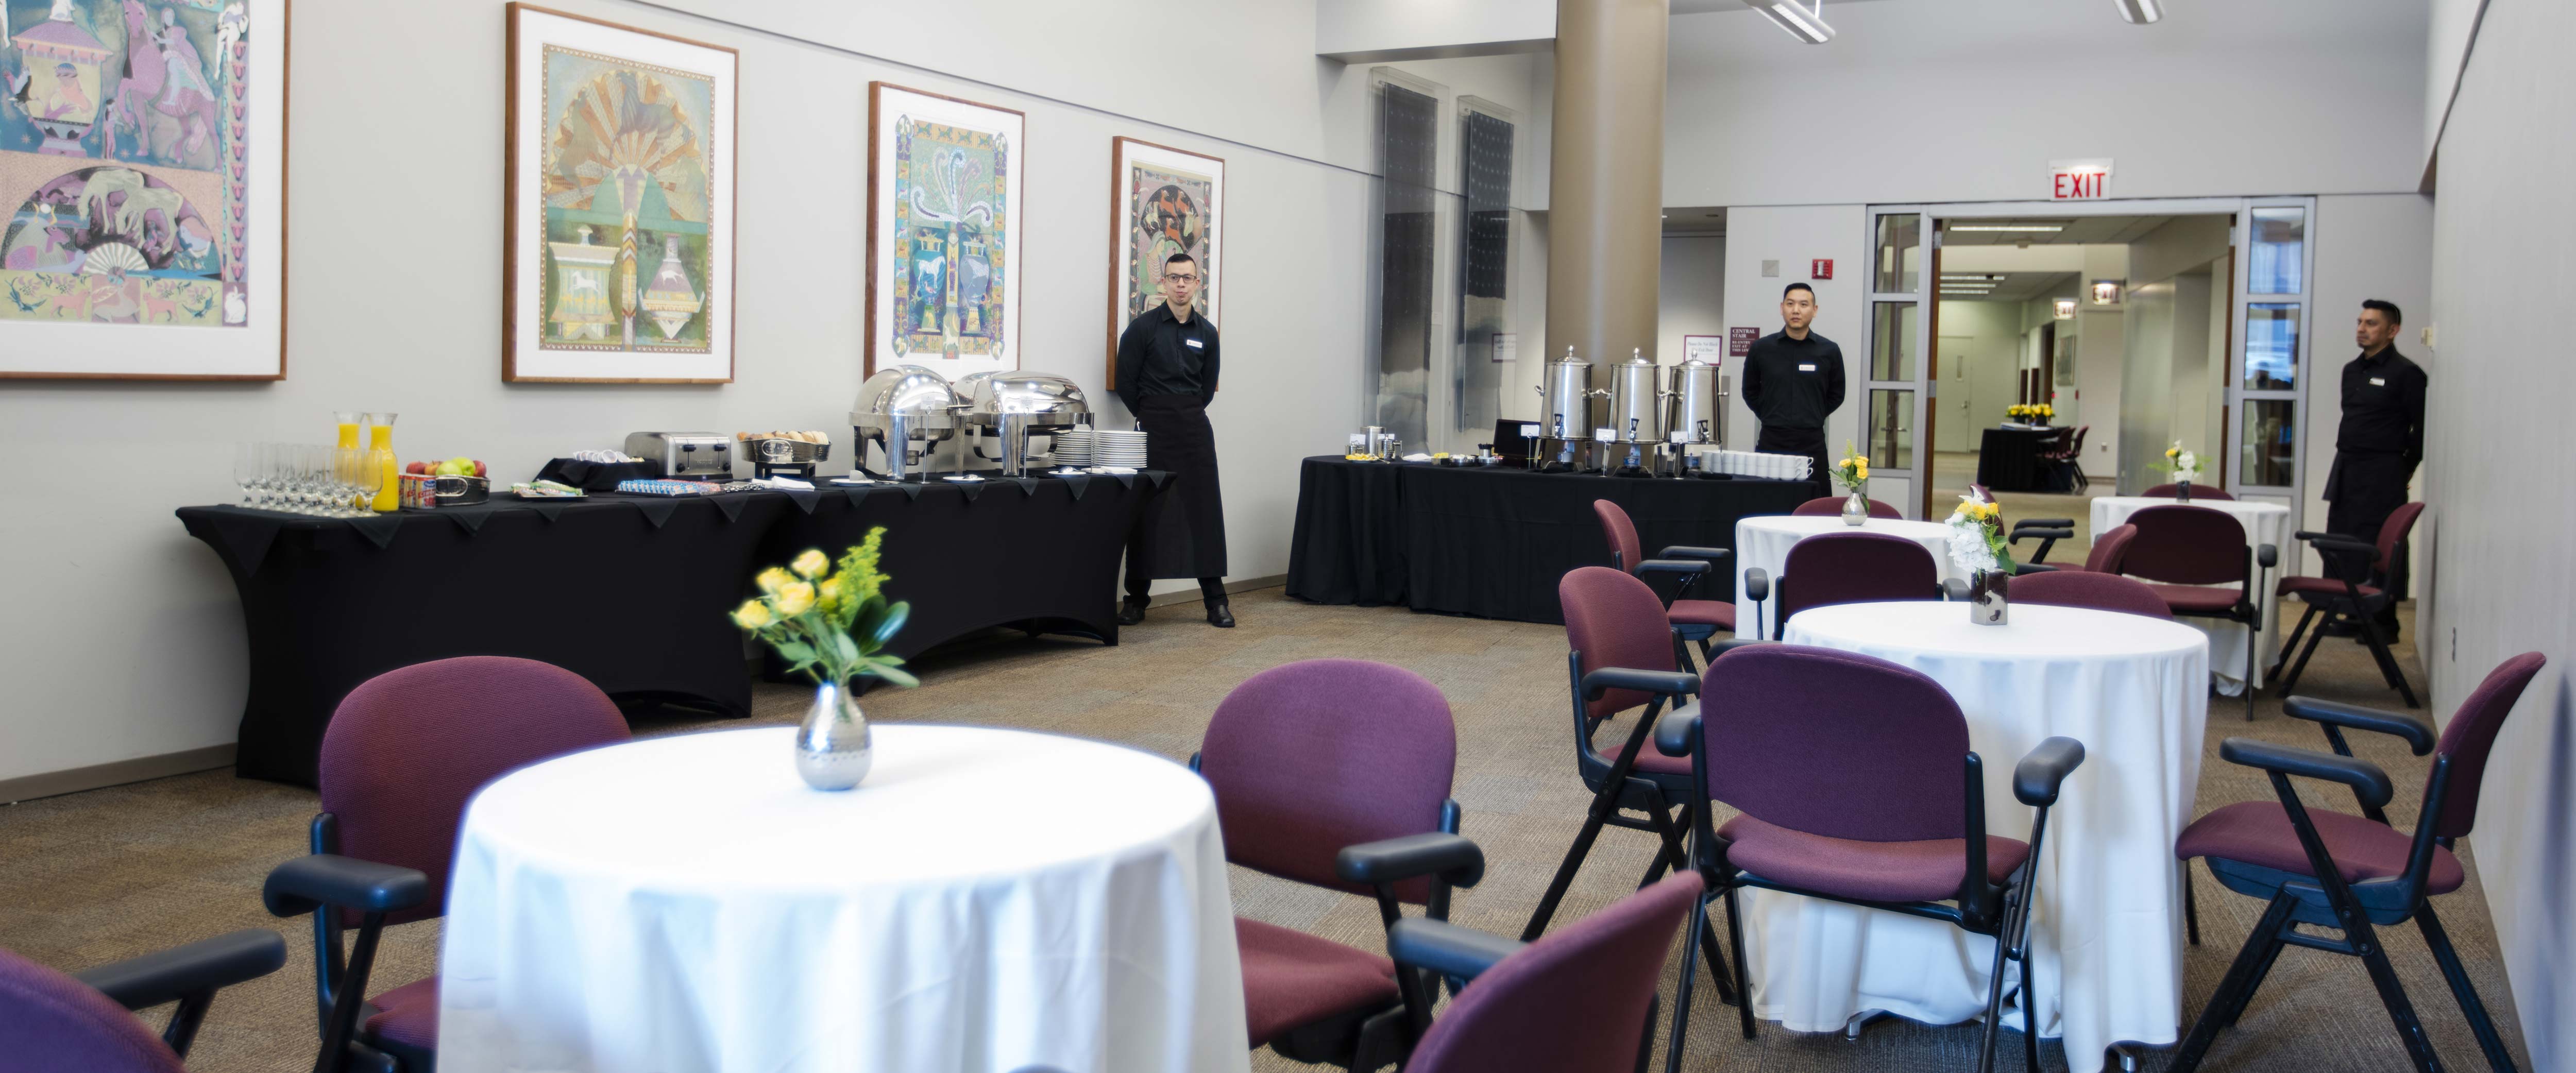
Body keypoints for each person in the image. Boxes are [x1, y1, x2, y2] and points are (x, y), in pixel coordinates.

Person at [1114, 252, 1232, 627]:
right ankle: (1136, 600)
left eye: (1188, 278)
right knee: (1146, 512)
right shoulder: (1142, 330)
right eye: (1174, 277)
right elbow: (1127, 384)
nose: (1181, 284)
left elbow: (1206, 388)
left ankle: (1216, 602)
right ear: (1163, 283)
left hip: (1194, 430)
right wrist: (1153, 414)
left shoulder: (1208, 333)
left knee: (1204, 512)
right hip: (1154, 431)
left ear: (1198, 284)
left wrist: (1184, 411)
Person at [2323, 299, 2425, 640]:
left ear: (2393, 331)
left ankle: (2383, 621)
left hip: (2383, 471)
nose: (2362, 329)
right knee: (2343, 539)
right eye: (2360, 322)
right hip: (2348, 467)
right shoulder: (2351, 370)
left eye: (2371, 324)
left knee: (2379, 544)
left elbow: (2420, 432)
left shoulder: (2407, 374)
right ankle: (2351, 613)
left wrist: (2402, 470)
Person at [1741, 282, 1845, 486]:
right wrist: (1771, 413)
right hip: (1772, 439)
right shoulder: (1761, 349)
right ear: (1782, 308)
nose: (1796, 310)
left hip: (1812, 442)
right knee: (1766, 504)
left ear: (1815, 311)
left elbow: (1837, 394)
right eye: (1790, 304)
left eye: (1804, 304)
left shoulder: (1829, 351)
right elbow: (1750, 391)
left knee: (1814, 508)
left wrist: (1813, 413)